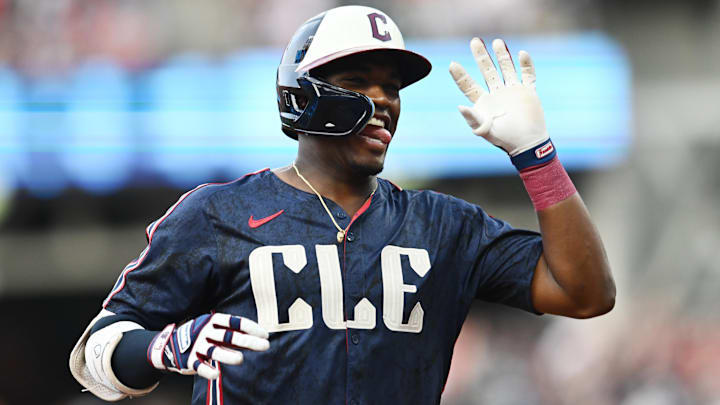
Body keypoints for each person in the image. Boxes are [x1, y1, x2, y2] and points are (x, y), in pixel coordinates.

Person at [69, 5, 615, 404]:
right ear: (301, 94)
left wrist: (536, 156)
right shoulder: (217, 215)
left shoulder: (443, 225)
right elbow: (93, 356)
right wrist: (165, 346)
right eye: (358, 82)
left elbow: (585, 293)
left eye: (393, 88)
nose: (383, 101)